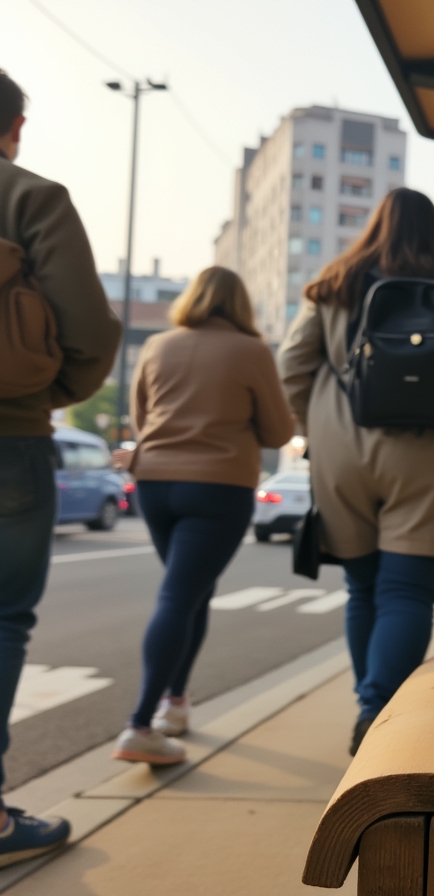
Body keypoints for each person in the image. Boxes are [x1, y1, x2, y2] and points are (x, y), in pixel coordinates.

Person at [278, 188, 434, 756]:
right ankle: (378, 709)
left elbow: (292, 367)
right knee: (408, 593)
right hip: (430, 452)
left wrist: (315, 426)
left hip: (343, 448)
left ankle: (366, 700)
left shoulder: (332, 286)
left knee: (361, 586)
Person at [0, 70, 121, 866]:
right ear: (11, 126)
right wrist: (51, 393)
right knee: (2, 617)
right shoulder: (29, 196)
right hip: (8, 438)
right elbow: (89, 330)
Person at [110, 267, 295, 765]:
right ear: (240, 305)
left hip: (154, 483)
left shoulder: (158, 346)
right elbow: (278, 432)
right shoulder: (252, 351)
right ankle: (141, 724)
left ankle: (176, 704)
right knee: (180, 594)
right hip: (219, 484)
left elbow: (140, 419)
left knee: (192, 591)